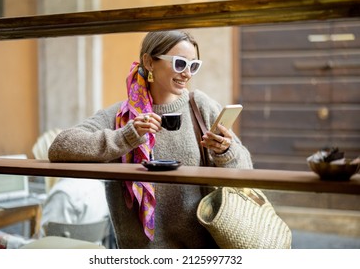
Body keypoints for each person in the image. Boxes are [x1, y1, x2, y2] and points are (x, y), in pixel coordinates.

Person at [48, 30, 253, 248]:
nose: (187, 74)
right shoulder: (121, 116)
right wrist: (126, 137)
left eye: (193, 66)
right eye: (179, 63)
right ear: (149, 62)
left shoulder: (201, 106)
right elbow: (60, 146)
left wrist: (225, 151)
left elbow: (246, 168)